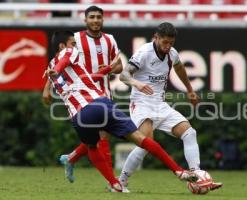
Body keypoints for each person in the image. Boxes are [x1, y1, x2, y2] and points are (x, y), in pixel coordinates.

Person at [45, 30, 198, 192]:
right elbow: (65, 60)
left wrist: (108, 69)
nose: (76, 46)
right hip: (100, 104)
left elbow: (85, 78)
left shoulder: (50, 69)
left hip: (78, 116)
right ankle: (179, 171)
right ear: (62, 45)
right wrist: (61, 68)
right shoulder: (69, 52)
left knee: (92, 146)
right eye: (73, 43)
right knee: (141, 139)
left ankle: (114, 183)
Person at [119, 22, 222, 192]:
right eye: (164, 42)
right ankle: (120, 182)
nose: (167, 46)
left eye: (171, 43)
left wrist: (190, 91)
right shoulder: (144, 53)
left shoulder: (172, 53)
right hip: (141, 104)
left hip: (160, 104)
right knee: (146, 143)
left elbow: (180, 68)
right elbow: (124, 75)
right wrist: (136, 83)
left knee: (189, 132)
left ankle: (196, 175)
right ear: (156, 38)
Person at [43, 5, 122, 183]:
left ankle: (72, 158)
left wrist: (109, 69)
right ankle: (113, 182)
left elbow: (119, 65)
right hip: (82, 92)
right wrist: (47, 87)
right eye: (91, 17)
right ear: (85, 20)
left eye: (98, 17)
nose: (95, 20)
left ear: (103, 19)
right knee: (101, 135)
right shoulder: (75, 38)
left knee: (103, 134)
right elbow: (58, 62)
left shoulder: (110, 39)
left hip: (103, 90)